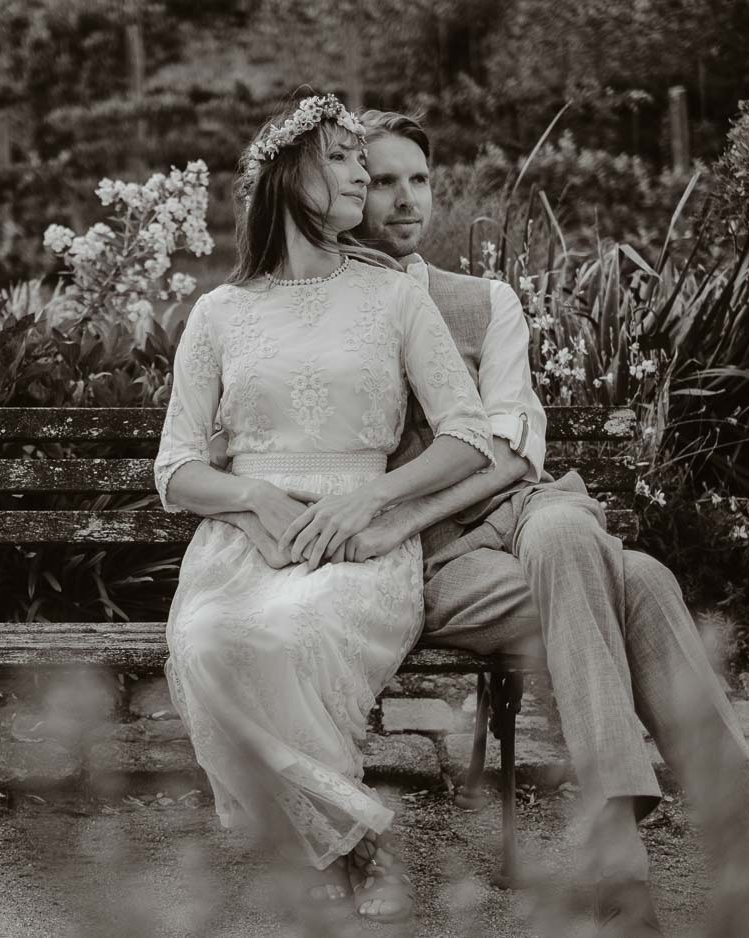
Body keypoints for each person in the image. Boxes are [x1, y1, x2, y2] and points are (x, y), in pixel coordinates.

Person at [218, 107, 749, 938]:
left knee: (561, 533)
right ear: (337, 191)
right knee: (644, 580)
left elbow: (516, 452)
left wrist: (421, 502)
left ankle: (621, 859)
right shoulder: (328, 303)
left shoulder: (484, 301)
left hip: (529, 515)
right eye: (378, 181)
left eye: (419, 179)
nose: (405, 200)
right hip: (438, 564)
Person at [153, 92, 496, 925]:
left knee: (290, 634)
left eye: (359, 158)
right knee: (205, 639)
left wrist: (370, 497)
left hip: (361, 537)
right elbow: (174, 469)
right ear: (287, 173)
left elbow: (471, 436)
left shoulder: (392, 300)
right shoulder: (220, 313)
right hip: (243, 541)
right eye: (340, 157)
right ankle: (347, 834)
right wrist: (253, 495)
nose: (361, 174)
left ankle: (327, 838)